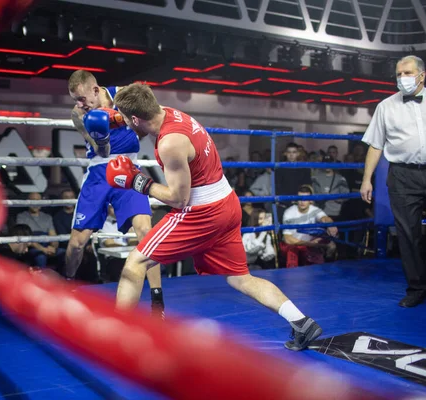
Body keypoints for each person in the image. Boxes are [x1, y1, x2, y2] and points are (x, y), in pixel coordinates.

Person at [108, 83, 321, 350]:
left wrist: (137, 182)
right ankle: (302, 322)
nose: (126, 125)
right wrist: (118, 115)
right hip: (227, 204)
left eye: (128, 121)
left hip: (201, 213)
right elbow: (139, 114)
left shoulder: (170, 142)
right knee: (241, 278)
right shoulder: (169, 113)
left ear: (137, 118)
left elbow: (178, 198)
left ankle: (115, 338)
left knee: (135, 264)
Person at [66, 70, 164, 316]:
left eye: (81, 98)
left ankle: (157, 301)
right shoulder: (78, 114)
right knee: (77, 243)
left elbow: (149, 118)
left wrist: (121, 119)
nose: (79, 104)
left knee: (145, 231)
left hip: (129, 166)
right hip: (99, 171)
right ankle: (67, 284)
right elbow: (101, 150)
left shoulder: (122, 94)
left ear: (95, 89)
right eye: (75, 99)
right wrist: (101, 134)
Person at [360, 55, 426, 308]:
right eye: (398, 74)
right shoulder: (386, 106)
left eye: (407, 73)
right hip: (402, 175)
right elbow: (376, 145)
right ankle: (417, 288)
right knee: (408, 234)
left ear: (422, 75)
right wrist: (367, 179)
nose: (402, 79)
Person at [280, 185, 338, 267]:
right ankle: (292, 277)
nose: (302, 201)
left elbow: (324, 218)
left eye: (305, 199)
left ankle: (324, 270)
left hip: (309, 244)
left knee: (330, 246)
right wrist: (310, 244)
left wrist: (330, 225)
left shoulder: (315, 210)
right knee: (292, 254)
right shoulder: (289, 212)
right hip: (294, 244)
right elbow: (288, 239)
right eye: (299, 198)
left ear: (310, 200)